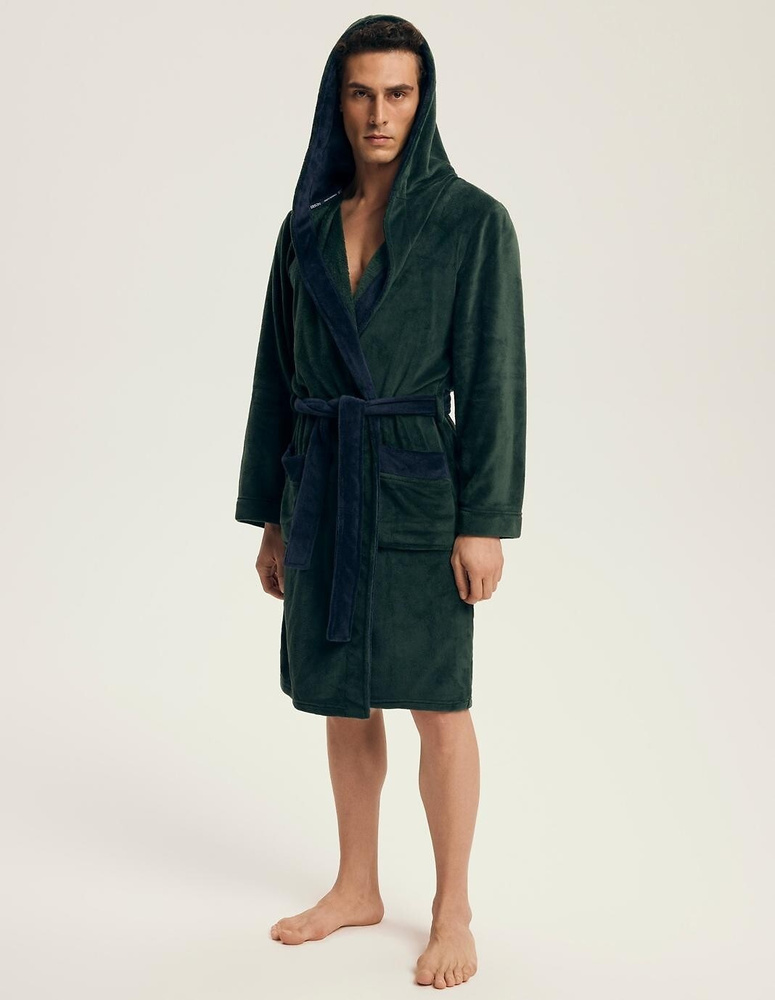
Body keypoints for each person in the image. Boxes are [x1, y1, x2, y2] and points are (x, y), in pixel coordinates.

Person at [235, 14, 526, 989]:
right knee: (342, 692)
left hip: (415, 485)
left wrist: (482, 520)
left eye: (397, 93)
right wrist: (272, 514)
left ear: (422, 100)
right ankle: (356, 884)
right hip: (321, 482)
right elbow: (276, 378)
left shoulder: (472, 222)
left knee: (438, 699)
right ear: (338, 100)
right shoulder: (307, 228)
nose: (378, 113)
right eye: (361, 92)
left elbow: (493, 377)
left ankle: (452, 906)